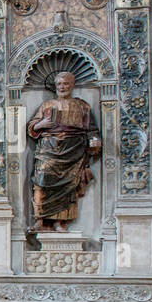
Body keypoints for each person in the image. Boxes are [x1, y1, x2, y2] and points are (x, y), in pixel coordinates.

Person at [26, 71, 101, 232]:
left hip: (73, 149)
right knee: (41, 179)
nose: (62, 87)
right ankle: (41, 220)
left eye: (66, 83)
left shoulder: (82, 106)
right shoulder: (47, 105)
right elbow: (31, 127)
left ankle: (61, 222)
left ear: (72, 85)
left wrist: (94, 141)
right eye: (59, 84)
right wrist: (41, 124)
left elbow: (91, 129)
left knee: (68, 186)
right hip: (48, 148)